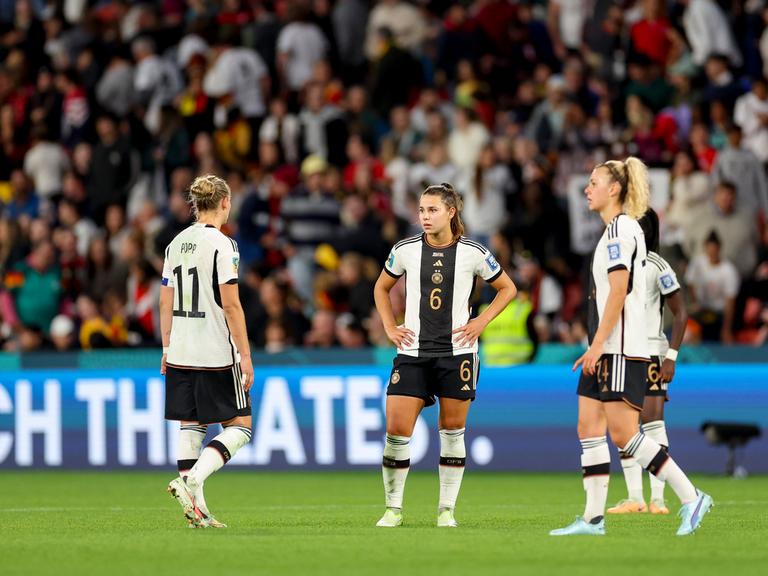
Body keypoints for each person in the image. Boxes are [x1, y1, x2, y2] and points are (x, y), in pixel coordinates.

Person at [550, 158, 712, 537]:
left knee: (624, 434)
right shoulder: (615, 230)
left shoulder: (621, 229)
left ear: (614, 190)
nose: (586, 189)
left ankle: (691, 496)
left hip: (620, 348)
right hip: (607, 347)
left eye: (593, 182)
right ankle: (592, 519)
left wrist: (598, 345)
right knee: (588, 427)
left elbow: (619, 291)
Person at [372, 183, 517, 528]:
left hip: (458, 354)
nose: (425, 216)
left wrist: (481, 321)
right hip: (413, 351)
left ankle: (446, 509)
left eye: (432, 209)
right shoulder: (405, 249)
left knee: (452, 431)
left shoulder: (474, 252)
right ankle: (393, 508)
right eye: (421, 210)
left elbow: (508, 288)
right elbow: (381, 287)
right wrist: (390, 327)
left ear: (451, 212)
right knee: (395, 428)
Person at [161, 174, 254, 529]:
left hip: (181, 348)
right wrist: (244, 355)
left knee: (192, 424)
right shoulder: (223, 245)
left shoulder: (175, 243)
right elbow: (231, 305)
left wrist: (167, 345)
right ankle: (192, 479)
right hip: (215, 349)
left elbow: (164, 299)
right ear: (225, 203)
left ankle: (196, 513)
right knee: (241, 427)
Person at [608, 208, 688, 515]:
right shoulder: (616, 264)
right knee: (622, 424)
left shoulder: (657, 265)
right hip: (620, 352)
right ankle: (635, 498)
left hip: (652, 352)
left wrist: (672, 356)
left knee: (652, 422)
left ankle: (658, 499)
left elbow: (681, 312)